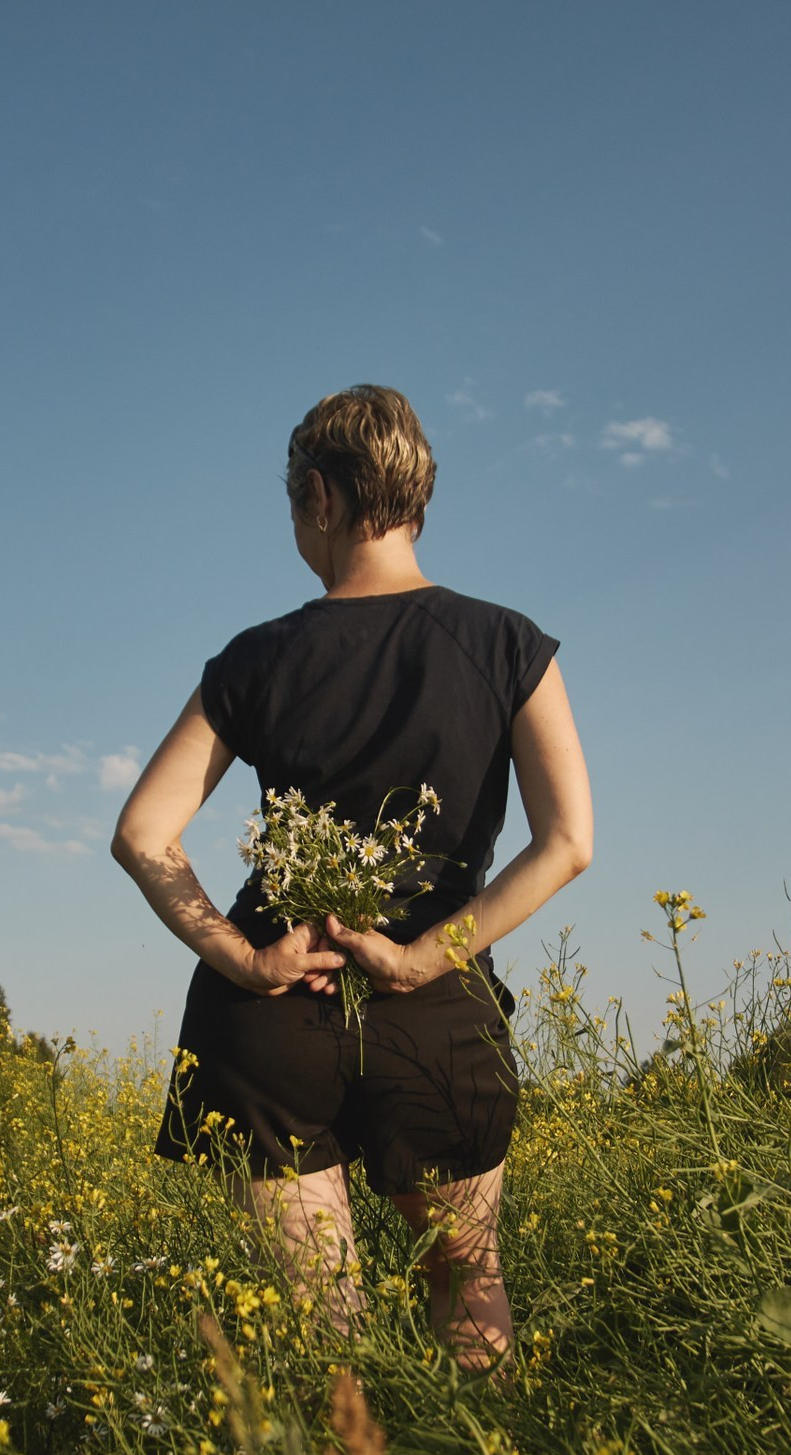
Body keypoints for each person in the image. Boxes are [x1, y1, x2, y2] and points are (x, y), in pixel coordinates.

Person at [109, 384, 593, 1377]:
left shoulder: (256, 659)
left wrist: (244, 959)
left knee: (316, 1329)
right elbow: (567, 843)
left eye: (294, 509)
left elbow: (142, 834)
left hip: (278, 1012)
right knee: (466, 1282)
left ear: (320, 499)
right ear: (417, 500)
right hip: (435, 1012)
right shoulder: (507, 645)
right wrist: (421, 960)